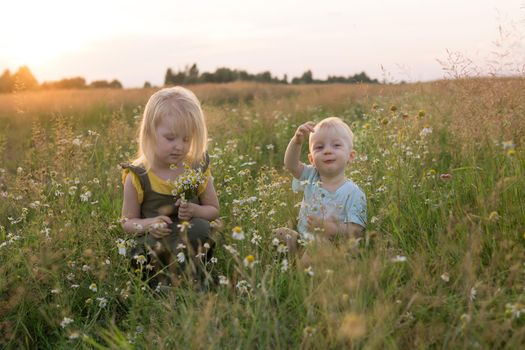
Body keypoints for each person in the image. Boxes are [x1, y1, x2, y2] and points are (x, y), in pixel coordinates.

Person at [121, 86, 219, 287]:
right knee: (145, 249)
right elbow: (127, 222)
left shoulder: (195, 168)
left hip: (189, 239)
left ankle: (193, 279)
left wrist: (195, 210)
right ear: (150, 133)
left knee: (200, 228)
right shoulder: (137, 176)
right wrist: (149, 224)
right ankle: (158, 282)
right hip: (157, 241)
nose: (180, 146)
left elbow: (214, 211)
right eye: (170, 138)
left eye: (186, 139)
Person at [276, 117, 367, 257]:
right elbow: (291, 165)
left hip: (334, 246)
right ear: (312, 159)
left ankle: (299, 271)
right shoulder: (310, 176)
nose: (327, 151)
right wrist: (296, 141)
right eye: (319, 147)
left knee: (319, 246)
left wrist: (329, 228)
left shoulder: (353, 192)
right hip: (304, 239)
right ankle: (295, 256)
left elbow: (356, 230)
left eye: (336, 145)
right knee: (280, 234)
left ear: (351, 156)